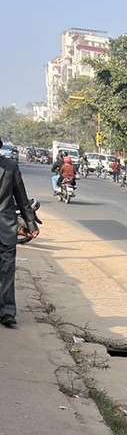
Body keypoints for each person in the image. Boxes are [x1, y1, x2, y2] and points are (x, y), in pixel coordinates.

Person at [0, 138, 40, 327]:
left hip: (6, 227)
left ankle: (7, 312)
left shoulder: (10, 167)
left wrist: (31, 224)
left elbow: (21, 197)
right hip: (7, 226)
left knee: (7, 270)